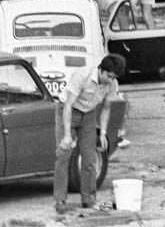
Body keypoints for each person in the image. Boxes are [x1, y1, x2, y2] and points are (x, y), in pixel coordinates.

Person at [53, 53, 125, 213]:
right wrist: (67, 134)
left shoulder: (112, 84)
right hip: (68, 111)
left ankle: (88, 199)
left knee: (89, 157)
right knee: (64, 154)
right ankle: (60, 200)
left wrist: (103, 132)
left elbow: (106, 107)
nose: (110, 80)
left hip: (89, 114)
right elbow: (68, 106)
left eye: (114, 78)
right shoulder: (82, 76)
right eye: (108, 76)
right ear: (101, 70)